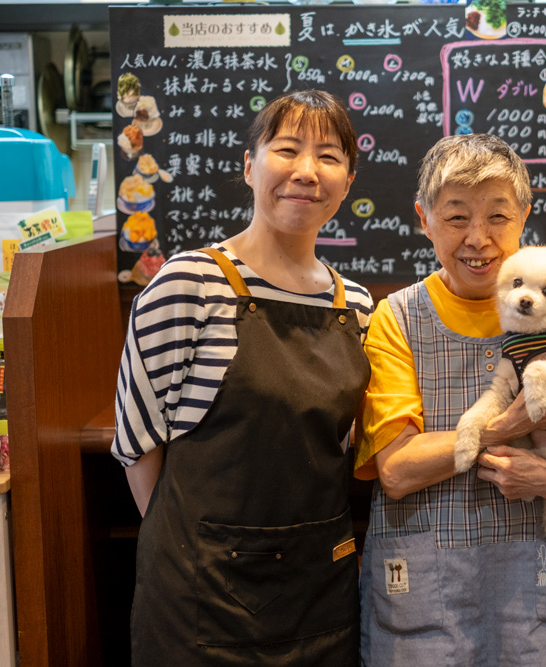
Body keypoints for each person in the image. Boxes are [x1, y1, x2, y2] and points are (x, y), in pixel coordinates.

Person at [355, 133, 546, 665]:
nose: (478, 239)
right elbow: (395, 469)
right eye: (457, 217)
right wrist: (505, 426)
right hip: (429, 591)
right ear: (424, 219)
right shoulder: (396, 318)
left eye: (497, 217)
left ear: (524, 218)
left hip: (543, 588)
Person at [111, 89, 373, 665]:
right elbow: (138, 446)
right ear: (250, 166)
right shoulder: (189, 284)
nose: (307, 171)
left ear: (347, 182)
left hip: (319, 593)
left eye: (329, 156)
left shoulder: (354, 304)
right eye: (287, 149)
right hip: (199, 601)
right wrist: (197, 554)